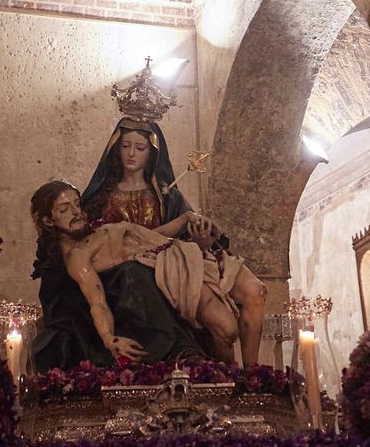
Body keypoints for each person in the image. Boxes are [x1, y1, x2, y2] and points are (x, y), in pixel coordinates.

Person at [82, 119, 266, 365]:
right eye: (126, 145)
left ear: (152, 153)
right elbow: (104, 248)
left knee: (254, 293)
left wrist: (201, 237)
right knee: (226, 327)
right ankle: (227, 376)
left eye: (140, 147)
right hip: (143, 271)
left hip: (182, 260)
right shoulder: (101, 198)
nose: (131, 153)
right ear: (116, 148)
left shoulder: (168, 195)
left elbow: (192, 238)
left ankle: (249, 377)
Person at [29, 180, 202, 369]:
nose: (76, 211)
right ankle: (176, 351)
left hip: (140, 299)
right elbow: (97, 302)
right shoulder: (70, 261)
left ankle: (180, 350)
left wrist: (187, 219)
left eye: (77, 204)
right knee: (132, 273)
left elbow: (149, 237)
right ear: (47, 221)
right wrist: (108, 338)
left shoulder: (101, 235)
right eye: (64, 209)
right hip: (90, 325)